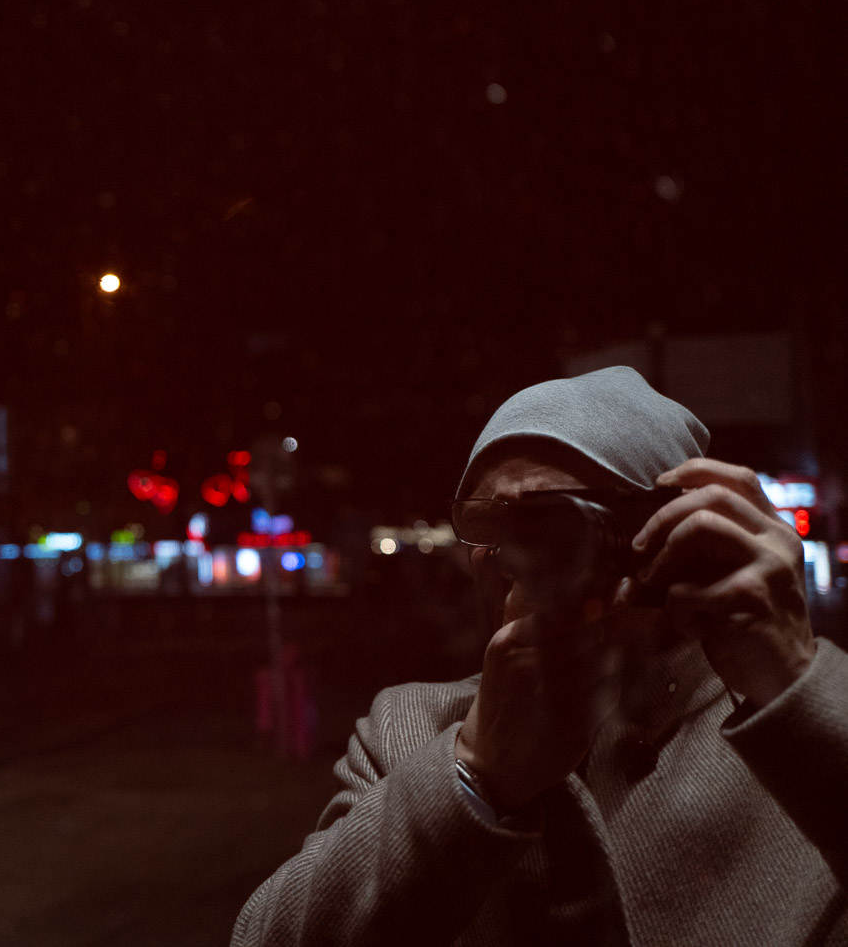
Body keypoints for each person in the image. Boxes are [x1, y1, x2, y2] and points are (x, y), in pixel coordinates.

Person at [232, 366, 845, 945]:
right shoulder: (410, 728)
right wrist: (476, 771)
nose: (510, 554)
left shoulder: (779, 713)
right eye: (486, 520)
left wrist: (798, 684)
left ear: (661, 528)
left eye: (550, 521)